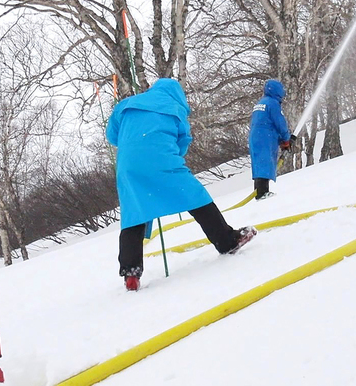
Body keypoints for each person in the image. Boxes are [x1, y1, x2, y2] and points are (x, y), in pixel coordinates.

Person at [106, 78, 256, 291]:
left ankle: (131, 272)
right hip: (162, 159)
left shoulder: (127, 104)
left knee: (134, 213)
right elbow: (182, 143)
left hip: (128, 166)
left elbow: (112, 135)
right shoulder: (176, 109)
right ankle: (227, 241)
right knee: (196, 197)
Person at [249, 79, 295, 200]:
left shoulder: (261, 103)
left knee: (260, 162)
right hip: (265, 136)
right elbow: (280, 123)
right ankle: (262, 193)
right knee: (265, 161)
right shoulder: (273, 103)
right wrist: (286, 139)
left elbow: (266, 123)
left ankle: (260, 191)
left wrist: (280, 140)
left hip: (256, 135)